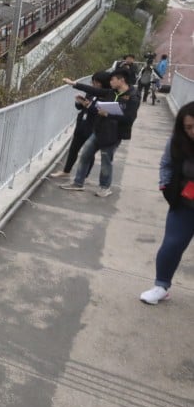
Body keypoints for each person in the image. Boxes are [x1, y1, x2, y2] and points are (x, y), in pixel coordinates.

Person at [139, 101, 194, 305]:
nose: (192, 131)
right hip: (185, 205)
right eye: (188, 127)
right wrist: (166, 188)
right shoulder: (177, 142)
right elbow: (166, 164)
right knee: (171, 245)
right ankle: (161, 286)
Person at [59, 68, 139, 197]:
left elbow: (129, 118)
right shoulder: (112, 92)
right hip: (100, 129)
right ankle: (78, 183)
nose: (110, 82)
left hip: (114, 134)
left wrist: (108, 114)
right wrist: (74, 84)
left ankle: (105, 187)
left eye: (112, 79)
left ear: (121, 80)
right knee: (85, 154)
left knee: (106, 160)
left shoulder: (133, 97)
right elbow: (94, 90)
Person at [50, 72, 108, 178]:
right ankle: (66, 171)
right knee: (73, 149)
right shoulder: (90, 93)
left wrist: (89, 105)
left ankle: (83, 176)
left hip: (93, 126)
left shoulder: (106, 95)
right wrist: (79, 102)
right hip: (82, 123)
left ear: (101, 83)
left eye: (95, 82)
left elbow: (101, 111)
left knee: (89, 152)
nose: (93, 84)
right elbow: (81, 107)